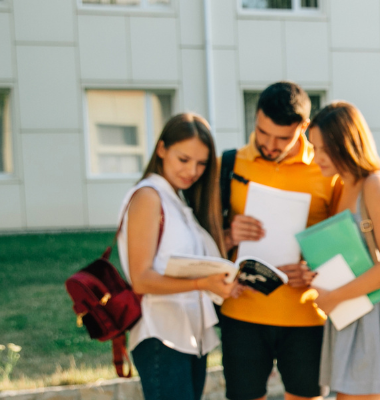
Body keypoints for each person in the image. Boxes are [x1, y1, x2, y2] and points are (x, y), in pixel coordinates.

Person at [219, 81, 341, 400]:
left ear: (303, 128)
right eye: (263, 133)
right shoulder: (228, 165)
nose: (270, 145)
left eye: (282, 138)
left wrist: (315, 270)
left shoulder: (327, 168)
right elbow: (203, 240)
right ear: (256, 118)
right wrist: (230, 233)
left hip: (306, 314)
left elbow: (344, 241)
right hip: (241, 312)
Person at [305, 101, 380, 400]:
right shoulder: (340, 186)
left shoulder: (374, 185)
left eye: (323, 148)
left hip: (372, 312)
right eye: (313, 147)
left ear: (345, 144)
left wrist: (333, 297)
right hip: (351, 311)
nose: (315, 157)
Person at [117, 113, 241, 400]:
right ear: (161, 149)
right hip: (161, 334)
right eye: (183, 159)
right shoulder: (149, 196)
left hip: (188, 336)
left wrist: (229, 240)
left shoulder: (177, 199)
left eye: (201, 163)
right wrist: (203, 284)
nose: (192, 171)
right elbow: (142, 280)